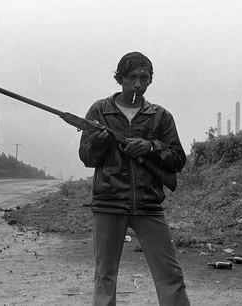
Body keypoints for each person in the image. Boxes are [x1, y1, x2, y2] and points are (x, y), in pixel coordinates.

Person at [78, 51, 190, 306]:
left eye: (144, 77)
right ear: (120, 79)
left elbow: (178, 159)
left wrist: (151, 147)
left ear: (151, 80)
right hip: (109, 203)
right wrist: (96, 143)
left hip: (149, 205)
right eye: (131, 77)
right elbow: (86, 158)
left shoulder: (161, 116)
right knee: (105, 278)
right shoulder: (99, 110)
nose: (137, 84)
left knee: (170, 275)